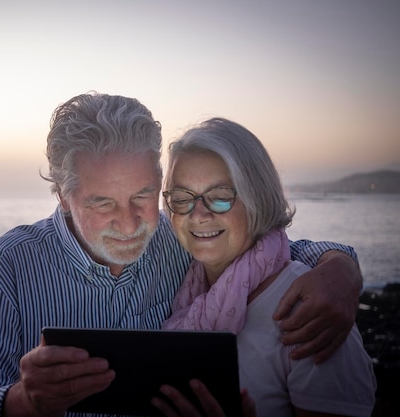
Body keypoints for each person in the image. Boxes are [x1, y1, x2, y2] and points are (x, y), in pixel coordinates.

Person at [0, 92, 363, 417]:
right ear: (62, 195)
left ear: (160, 181)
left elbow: (261, 246)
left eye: (143, 195)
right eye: (102, 203)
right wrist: (22, 402)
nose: (130, 224)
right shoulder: (9, 267)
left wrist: (339, 267)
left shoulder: (180, 237)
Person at [157, 117, 376, 416]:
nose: (198, 214)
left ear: (258, 199)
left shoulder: (309, 312)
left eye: (220, 197)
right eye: (182, 198)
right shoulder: (180, 282)